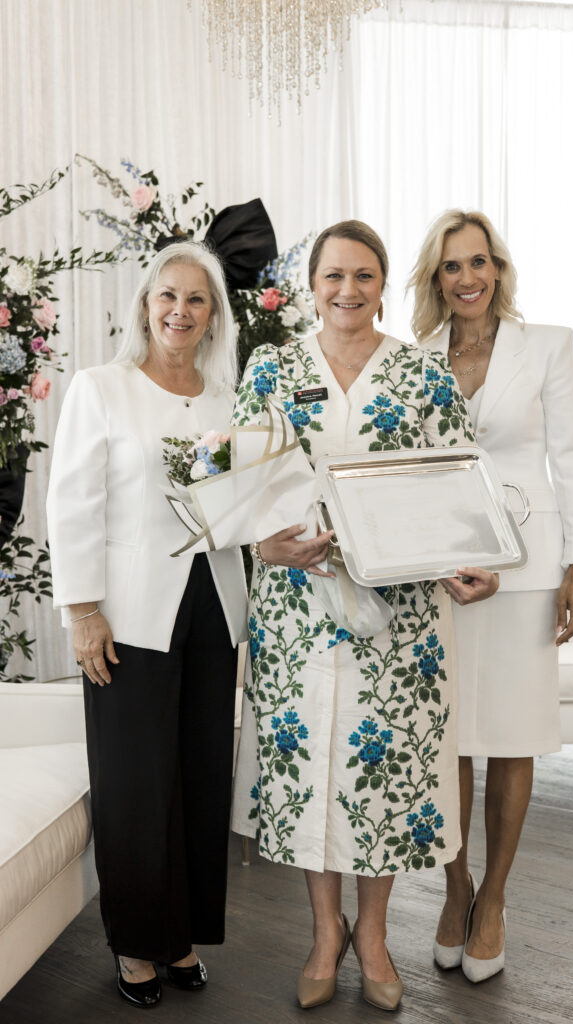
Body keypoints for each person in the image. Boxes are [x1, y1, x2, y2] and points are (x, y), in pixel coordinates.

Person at [230, 220, 499, 1012]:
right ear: (309, 286)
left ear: (384, 285)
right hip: (296, 610)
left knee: (379, 776)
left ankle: (374, 935)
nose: (347, 290)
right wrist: (264, 547)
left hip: (400, 614)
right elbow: (244, 484)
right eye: (332, 276)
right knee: (313, 769)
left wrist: (469, 568)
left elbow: (458, 490)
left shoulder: (422, 375)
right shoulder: (272, 366)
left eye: (364, 276)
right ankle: (325, 933)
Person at [408, 210, 573, 982]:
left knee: (512, 736)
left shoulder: (547, 345)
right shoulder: (416, 357)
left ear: (499, 269)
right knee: (450, 740)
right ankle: (454, 889)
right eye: (453, 266)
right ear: (436, 279)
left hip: (527, 566)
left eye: (480, 262)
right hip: (444, 569)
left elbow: (570, 456)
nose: (468, 278)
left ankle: (494, 899)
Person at [46, 241, 248, 1008]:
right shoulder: (101, 388)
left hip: (213, 605)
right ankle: (136, 941)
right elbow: (72, 504)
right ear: (144, 305)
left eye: (197, 300)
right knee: (135, 784)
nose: (179, 311)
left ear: (213, 316)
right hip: (126, 613)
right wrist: (82, 608)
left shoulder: (230, 400)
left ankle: (184, 934)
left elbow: (244, 507)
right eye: (168, 295)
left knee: (200, 776)